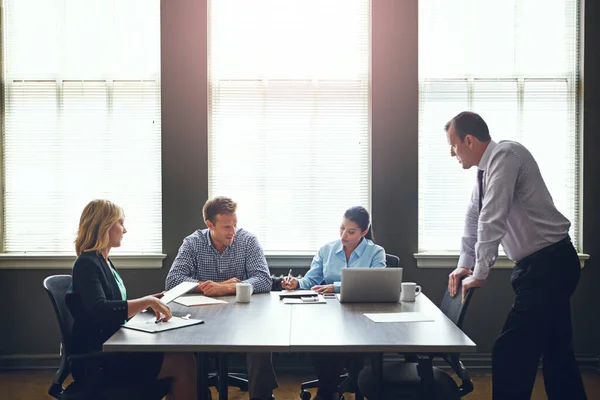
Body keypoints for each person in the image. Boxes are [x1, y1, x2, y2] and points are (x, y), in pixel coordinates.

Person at [445, 111, 586, 400]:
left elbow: (492, 218)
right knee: (557, 350)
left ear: (468, 140)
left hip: (549, 265)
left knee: (509, 352)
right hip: (540, 266)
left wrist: (480, 273)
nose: (452, 153)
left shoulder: (506, 157)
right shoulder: (485, 172)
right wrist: (465, 265)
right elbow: (474, 219)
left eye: (453, 145)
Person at [66, 199, 196, 400]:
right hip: (100, 360)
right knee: (182, 362)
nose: (124, 230)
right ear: (104, 225)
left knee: (182, 357)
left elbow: (111, 305)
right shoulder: (87, 264)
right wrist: (145, 302)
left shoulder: (103, 261)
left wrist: (149, 301)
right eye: (120, 223)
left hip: (113, 347)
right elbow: (100, 311)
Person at [165, 196, 277, 400]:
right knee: (184, 345)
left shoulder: (248, 241)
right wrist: (210, 286)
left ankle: (262, 396)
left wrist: (226, 288)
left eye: (235, 224)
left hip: (245, 316)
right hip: (202, 316)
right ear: (210, 225)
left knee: (261, 345)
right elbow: (173, 281)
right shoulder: (193, 243)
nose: (232, 231)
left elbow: (263, 279)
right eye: (226, 227)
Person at [281, 206, 385, 400]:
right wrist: (297, 283)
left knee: (337, 341)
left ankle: (327, 392)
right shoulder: (327, 250)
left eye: (351, 231)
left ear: (364, 232)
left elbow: (375, 282)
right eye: (342, 228)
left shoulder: (376, 252)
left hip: (361, 316)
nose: (344, 235)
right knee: (317, 339)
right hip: (329, 313)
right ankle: (329, 391)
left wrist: (335, 287)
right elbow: (311, 280)